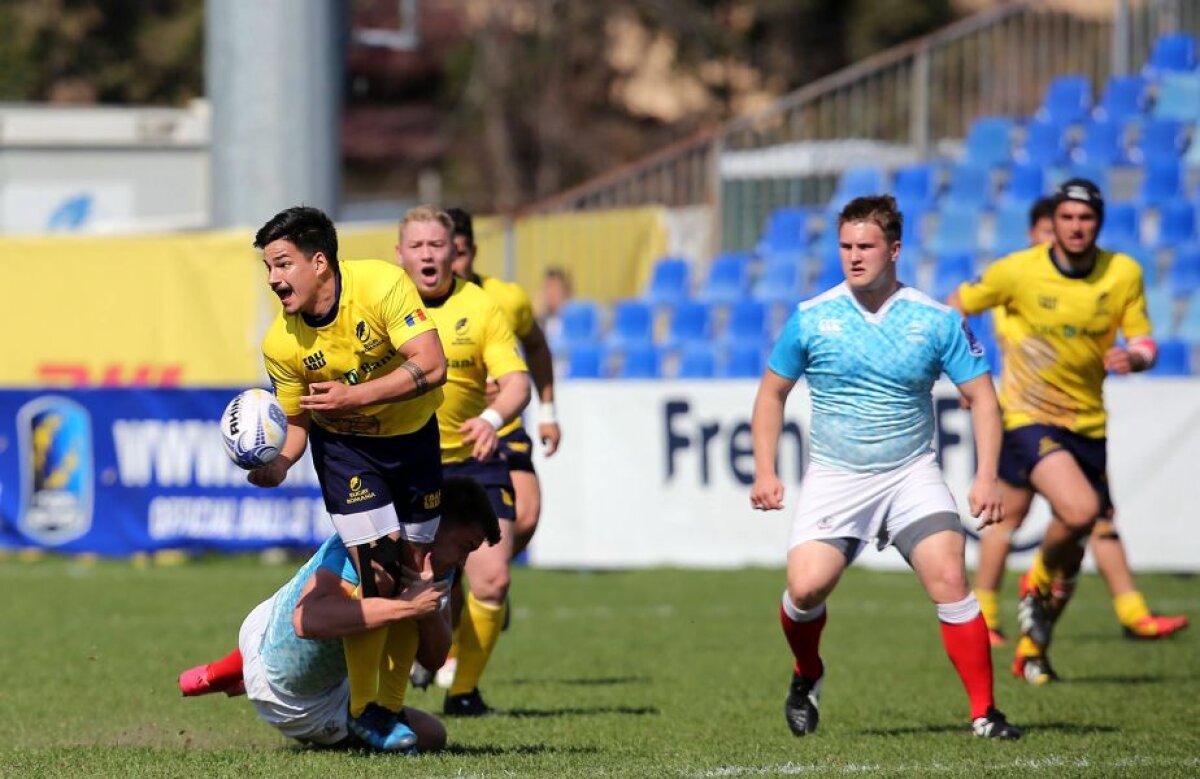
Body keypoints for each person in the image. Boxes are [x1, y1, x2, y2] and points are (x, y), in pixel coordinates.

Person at [751, 194, 1020, 740]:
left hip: (910, 475)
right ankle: (808, 674)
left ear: (894, 250)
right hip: (836, 476)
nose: (853, 256)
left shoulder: (936, 320)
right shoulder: (811, 318)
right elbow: (771, 393)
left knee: (949, 578)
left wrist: (987, 475)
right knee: (804, 591)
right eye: (846, 246)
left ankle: (985, 714)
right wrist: (764, 470)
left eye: (866, 246)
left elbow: (984, 399)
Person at [948, 179, 1164, 686]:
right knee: (1081, 511)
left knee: (1074, 549)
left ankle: (1032, 649)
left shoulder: (1123, 273)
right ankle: (1018, 590)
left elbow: (1145, 338)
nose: (1075, 227)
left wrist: (1135, 357)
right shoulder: (1017, 271)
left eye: (1085, 218)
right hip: (1028, 417)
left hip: (1089, 422)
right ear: (1053, 224)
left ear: (1099, 223)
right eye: (1066, 217)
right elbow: (954, 305)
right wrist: (964, 371)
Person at [251, 205, 447, 747]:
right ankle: (366, 710)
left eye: (283, 264)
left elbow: (431, 365)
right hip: (345, 452)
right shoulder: (281, 342)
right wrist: (279, 464)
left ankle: (386, 707)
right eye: (269, 267)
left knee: (417, 571)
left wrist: (353, 395)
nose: (274, 279)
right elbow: (296, 422)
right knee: (378, 572)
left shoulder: (382, 285)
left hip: (413, 441)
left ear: (320, 262)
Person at [178, 477, 501, 752]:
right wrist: (408, 607)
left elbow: (434, 658)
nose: (463, 562)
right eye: (465, 547)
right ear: (436, 526)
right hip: (292, 701)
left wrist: (425, 611)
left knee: (434, 731)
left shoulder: (434, 569)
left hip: (264, 624)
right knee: (427, 736)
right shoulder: (369, 547)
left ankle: (226, 669)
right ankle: (246, 673)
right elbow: (308, 621)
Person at [395, 205, 532, 716]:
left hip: (474, 465)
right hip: (407, 464)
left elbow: (518, 381)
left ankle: (464, 693)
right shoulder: (383, 304)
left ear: (455, 251)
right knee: (405, 581)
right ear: (400, 253)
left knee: (493, 577)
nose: (429, 255)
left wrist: (492, 420)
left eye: (439, 245)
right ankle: (387, 686)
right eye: (419, 246)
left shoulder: (481, 307)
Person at [446, 208, 561, 557]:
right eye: (444, 254)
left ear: (474, 252)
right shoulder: (413, 304)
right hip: (446, 430)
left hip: (501, 424)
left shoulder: (507, 299)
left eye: (460, 254)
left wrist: (548, 412)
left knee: (525, 517)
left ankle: (484, 580)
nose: (452, 264)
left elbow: (537, 346)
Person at [538, 267, 573, 346]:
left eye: (554, 288)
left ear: (565, 291)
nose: (550, 293)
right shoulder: (541, 321)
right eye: (547, 288)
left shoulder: (573, 320)